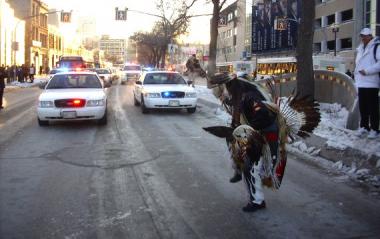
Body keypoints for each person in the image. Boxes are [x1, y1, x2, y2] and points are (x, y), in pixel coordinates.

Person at [354, 28, 380, 139]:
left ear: (370, 36)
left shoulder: (376, 47)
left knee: (373, 107)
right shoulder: (360, 49)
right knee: (363, 107)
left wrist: (367, 71)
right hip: (361, 82)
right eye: (362, 36)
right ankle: (364, 126)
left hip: (372, 82)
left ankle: (374, 129)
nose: (363, 38)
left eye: (366, 36)